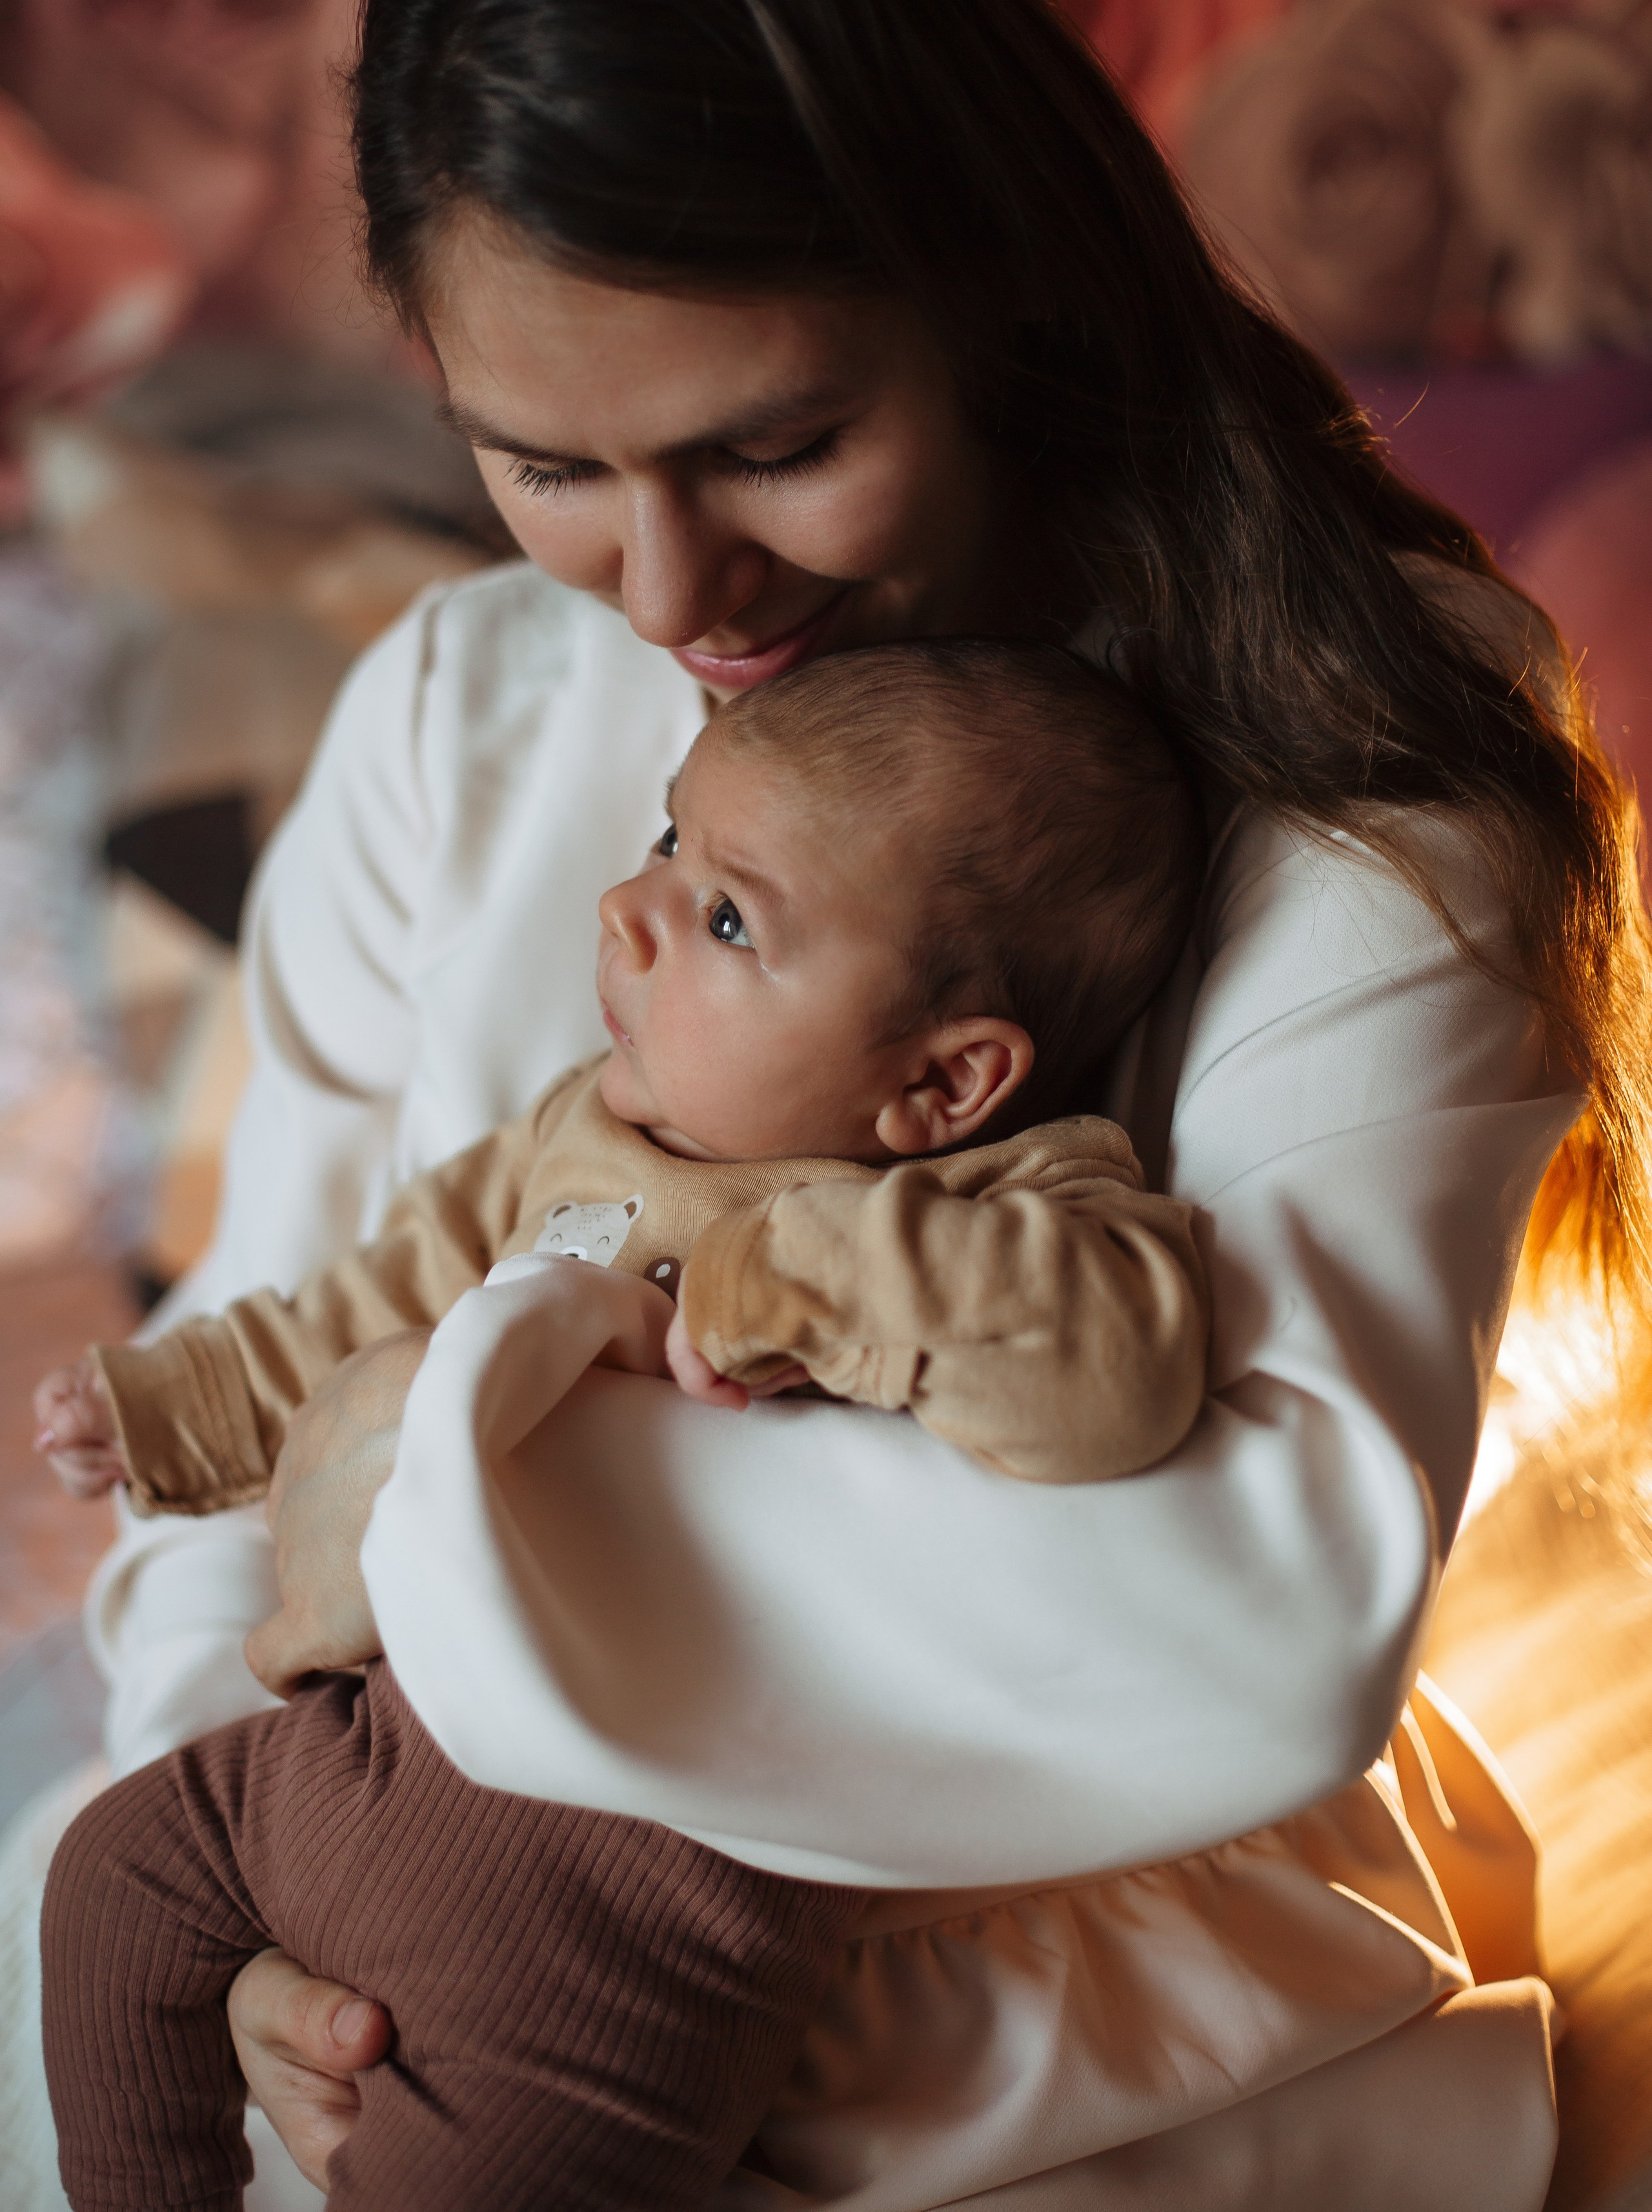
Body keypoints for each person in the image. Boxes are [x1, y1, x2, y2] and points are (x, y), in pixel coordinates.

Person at [12, 0, 1645, 2208]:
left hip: (1089, 2069)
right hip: (373, 1955)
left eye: (774, 442)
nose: (672, 600)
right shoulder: (463, 711)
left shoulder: (1347, 756)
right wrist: (249, 1921)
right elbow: (233, 1452)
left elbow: (1250, 1616)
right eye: (547, 466)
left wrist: (412, 1482)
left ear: (990, 278)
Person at [39, 640, 1211, 2212]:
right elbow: (356, 1306)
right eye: (668, 843)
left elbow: (1110, 1365)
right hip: (357, 1761)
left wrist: (784, 1273)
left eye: (726, 917)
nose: (629, 910)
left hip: (621, 1910)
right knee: (110, 1879)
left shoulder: (999, 1203)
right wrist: (167, 1408)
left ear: (942, 1085)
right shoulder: (572, 1132)